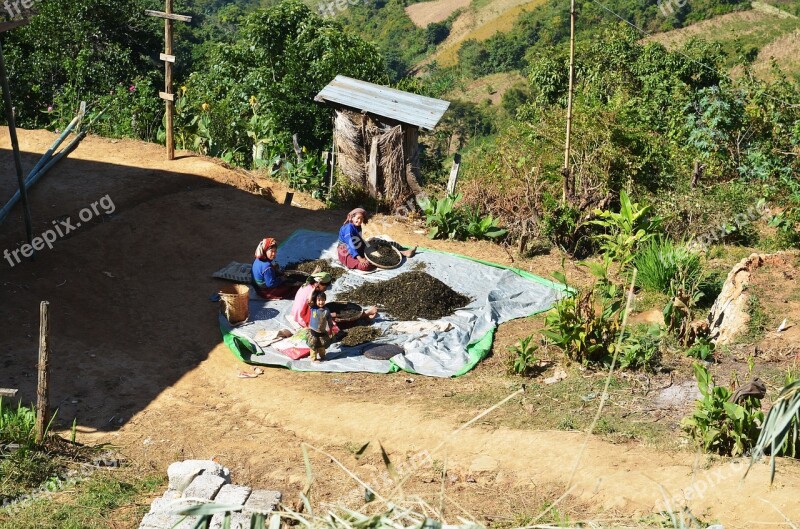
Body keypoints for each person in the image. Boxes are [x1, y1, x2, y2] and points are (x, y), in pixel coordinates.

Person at [337, 208, 416, 271]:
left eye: (361, 219)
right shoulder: (349, 228)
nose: (359, 221)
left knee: (379, 247)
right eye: (358, 218)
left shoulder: (357, 226)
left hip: (357, 245)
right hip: (345, 250)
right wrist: (360, 258)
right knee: (365, 265)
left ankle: (403, 252)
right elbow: (351, 245)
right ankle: (370, 261)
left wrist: (366, 245)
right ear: (352, 218)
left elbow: (358, 239)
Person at [306, 292, 339, 362]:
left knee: (322, 345)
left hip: (322, 331)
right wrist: (313, 290)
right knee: (313, 346)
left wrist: (330, 330)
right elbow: (309, 300)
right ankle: (313, 358)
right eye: (319, 300)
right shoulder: (313, 308)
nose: (321, 302)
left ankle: (322, 356)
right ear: (315, 301)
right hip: (313, 331)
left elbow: (329, 321)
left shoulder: (326, 310)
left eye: (323, 300)